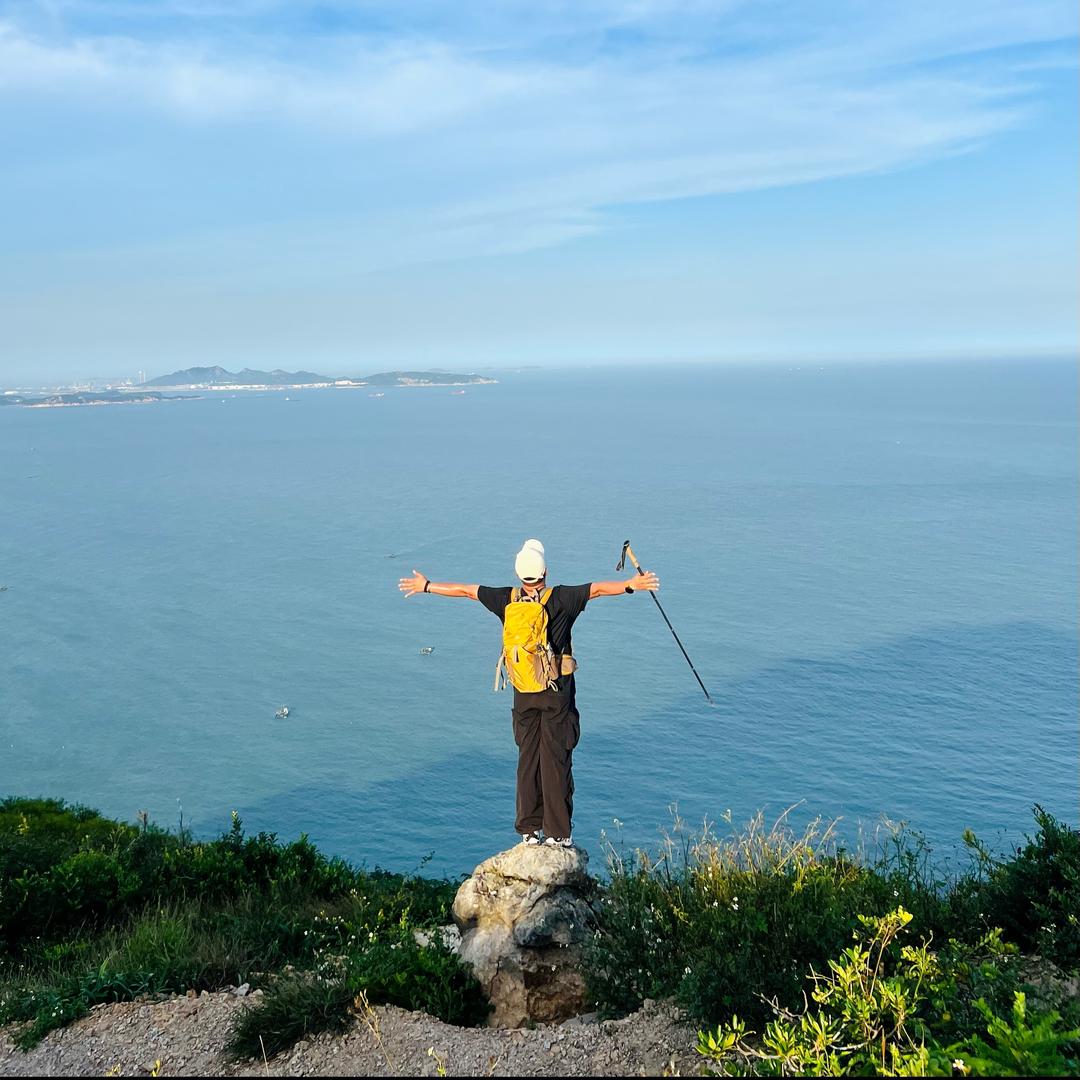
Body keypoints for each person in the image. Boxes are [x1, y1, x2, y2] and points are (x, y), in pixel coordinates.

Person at [398, 539, 660, 849]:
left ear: (519, 574)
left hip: (523, 692)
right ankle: (558, 834)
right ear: (545, 571)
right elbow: (599, 589)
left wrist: (426, 585)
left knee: (528, 759)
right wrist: (631, 585)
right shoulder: (563, 598)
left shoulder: (506, 600)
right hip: (556, 691)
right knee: (556, 758)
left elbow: (467, 591)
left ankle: (529, 830)